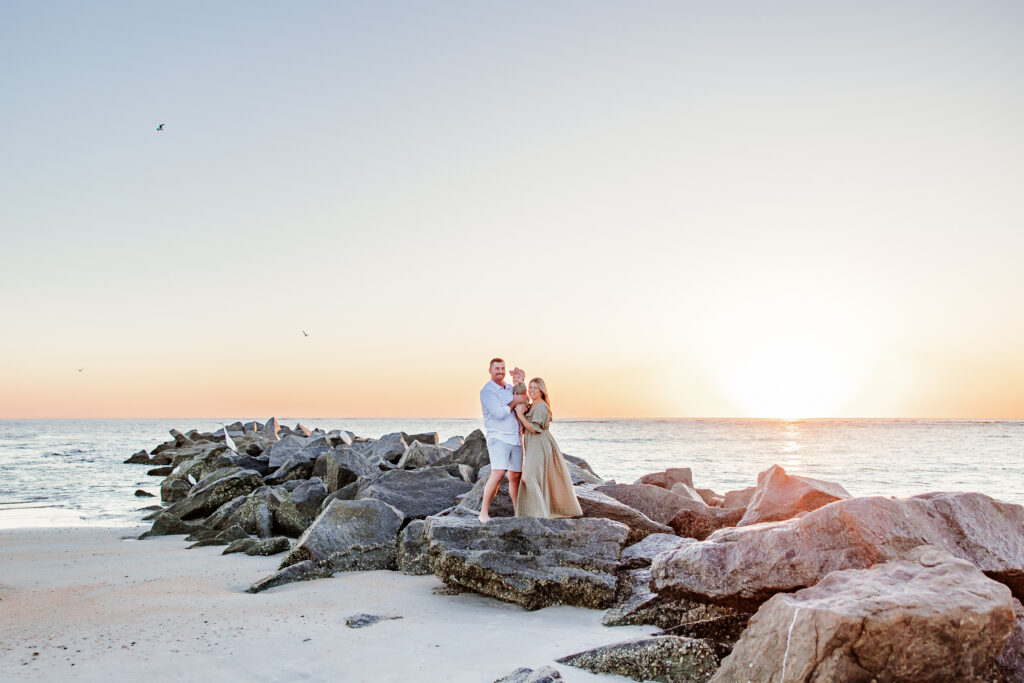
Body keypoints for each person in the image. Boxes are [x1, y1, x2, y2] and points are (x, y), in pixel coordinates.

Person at [515, 378, 583, 519]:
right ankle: (537, 512)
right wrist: (519, 381)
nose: (532, 390)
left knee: (529, 477)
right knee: (531, 477)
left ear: (541, 390)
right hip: (533, 444)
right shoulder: (533, 405)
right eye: (530, 387)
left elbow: (534, 428)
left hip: (539, 444)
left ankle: (540, 514)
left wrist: (521, 416)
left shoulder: (540, 406)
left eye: (535, 388)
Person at [478, 358, 529, 523]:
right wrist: (515, 401)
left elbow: (523, 403)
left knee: (515, 476)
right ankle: (483, 512)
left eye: (502, 368)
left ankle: (517, 512)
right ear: (490, 370)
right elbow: (498, 414)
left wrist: (521, 383)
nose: (500, 371)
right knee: (498, 473)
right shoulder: (487, 391)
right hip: (498, 438)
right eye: (496, 368)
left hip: (515, 437)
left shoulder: (509, 388)